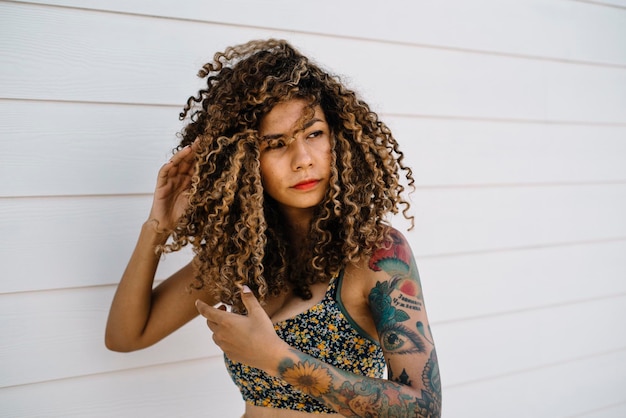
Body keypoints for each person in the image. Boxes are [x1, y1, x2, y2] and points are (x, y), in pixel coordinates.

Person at [105, 39, 441, 418]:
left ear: (339, 138)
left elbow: (424, 409)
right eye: (276, 144)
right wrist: (158, 226)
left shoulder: (373, 253)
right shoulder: (238, 258)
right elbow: (125, 336)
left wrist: (276, 357)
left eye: (313, 134)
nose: (302, 160)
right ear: (245, 162)